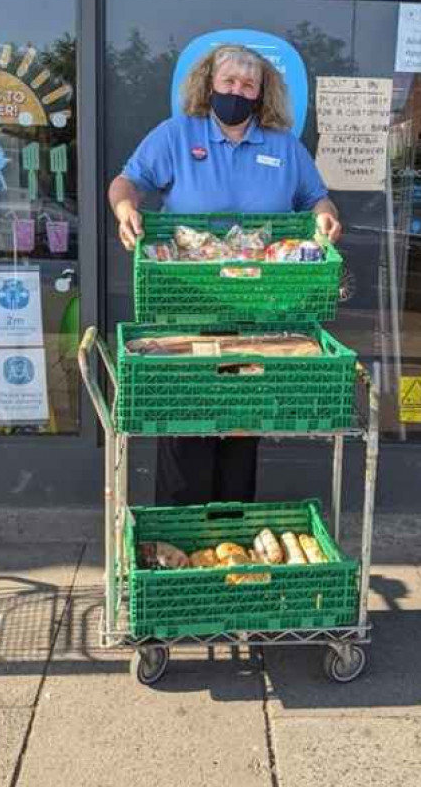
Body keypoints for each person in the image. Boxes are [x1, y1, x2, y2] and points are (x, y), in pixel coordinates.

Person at [109, 43, 341, 506]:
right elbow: (127, 180)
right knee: (185, 422)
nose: (237, 91)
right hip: (184, 306)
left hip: (257, 311)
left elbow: (317, 197)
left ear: (261, 93)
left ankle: (231, 532)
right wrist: (125, 207)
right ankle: (178, 531)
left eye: (247, 85)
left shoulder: (283, 147)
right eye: (229, 82)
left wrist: (325, 217)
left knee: (242, 423)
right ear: (209, 84)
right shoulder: (177, 135)